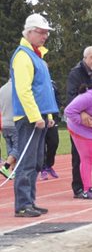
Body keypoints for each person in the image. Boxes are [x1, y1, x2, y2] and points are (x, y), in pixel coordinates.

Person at [11, 13, 58, 217]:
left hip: (40, 117)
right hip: (28, 119)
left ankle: (30, 200)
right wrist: (35, 116)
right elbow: (24, 90)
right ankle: (22, 204)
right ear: (29, 32)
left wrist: (46, 116)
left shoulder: (37, 55)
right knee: (27, 162)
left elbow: (42, 90)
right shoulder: (23, 56)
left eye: (46, 32)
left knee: (37, 162)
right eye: (41, 32)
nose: (45, 36)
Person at [66, 46, 92, 197]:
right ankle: (79, 188)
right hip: (79, 123)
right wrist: (82, 113)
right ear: (85, 59)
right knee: (80, 156)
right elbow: (71, 97)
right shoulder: (76, 74)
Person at [40, 79, 61, 180]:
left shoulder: (53, 84)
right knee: (41, 144)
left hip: (53, 117)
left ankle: (49, 165)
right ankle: (42, 168)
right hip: (40, 117)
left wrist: (56, 113)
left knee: (54, 142)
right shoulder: (36, 84)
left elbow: (57, 99)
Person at [0, 79, 18, 179]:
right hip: (14, 121)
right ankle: (6, 167)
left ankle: (13, 170)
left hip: (4, 123)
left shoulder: (2, 89)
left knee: (10, 147)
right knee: (18, 147)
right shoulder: (17, 88)